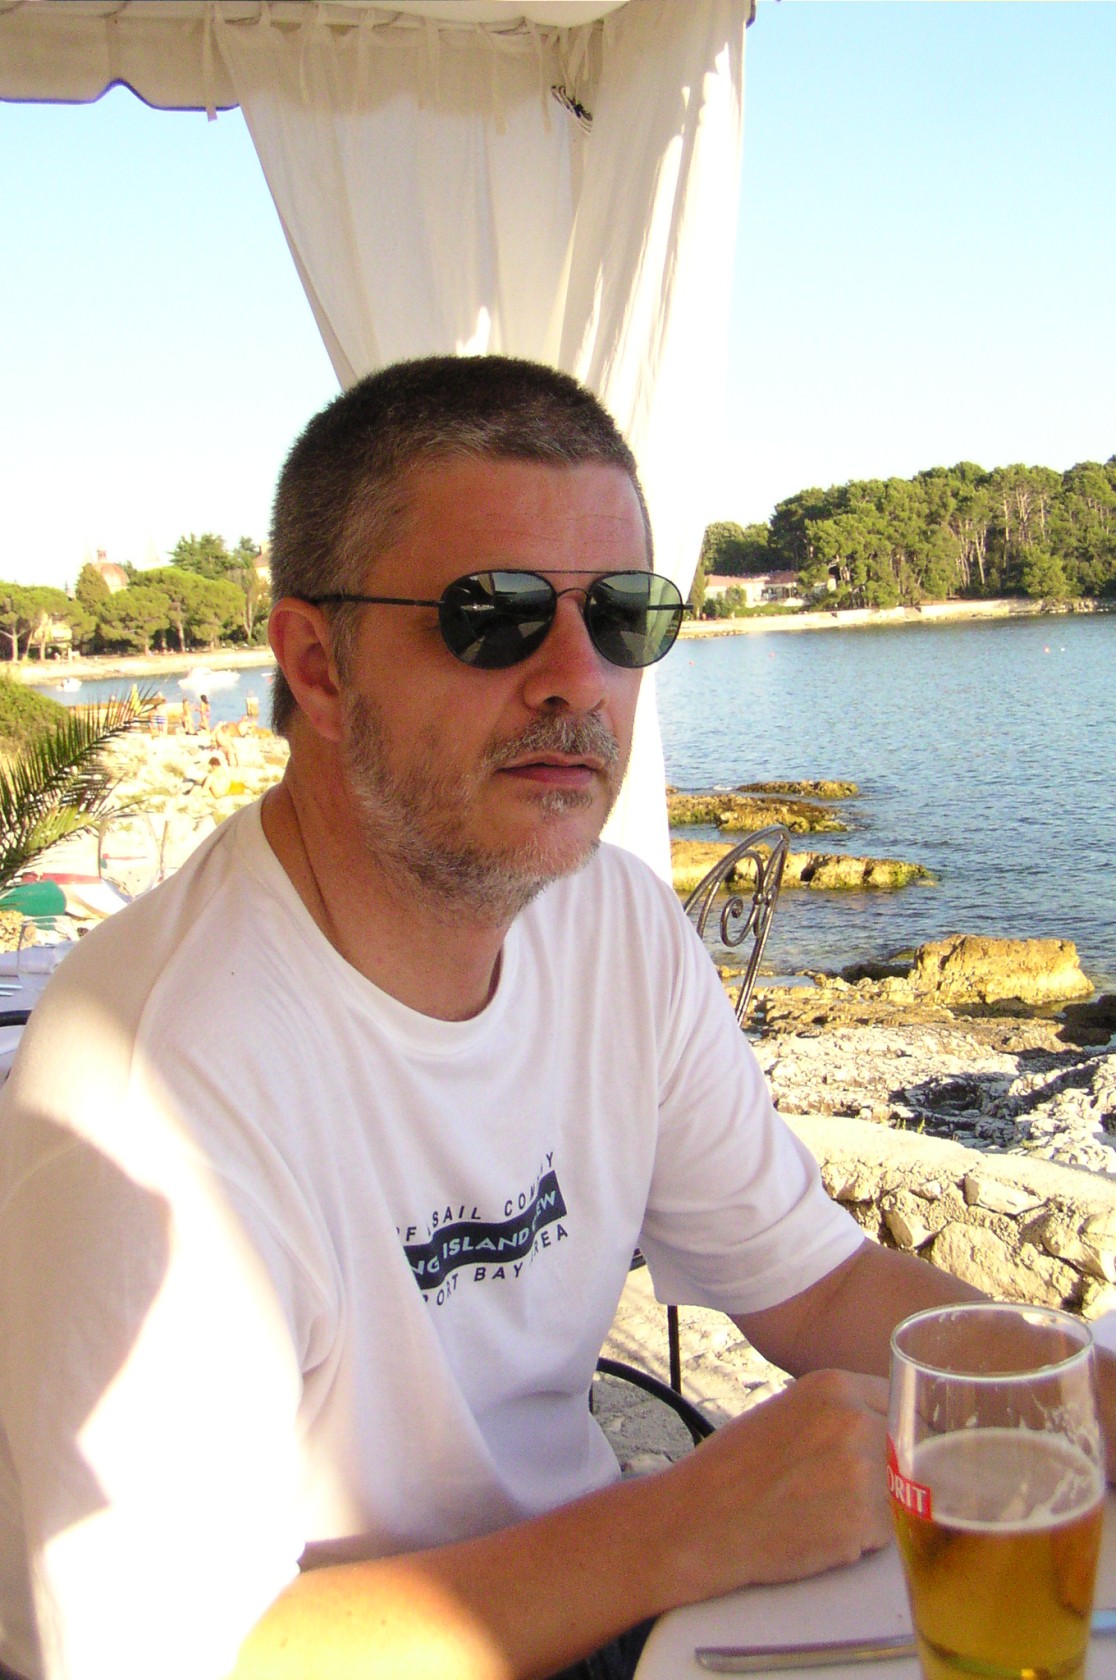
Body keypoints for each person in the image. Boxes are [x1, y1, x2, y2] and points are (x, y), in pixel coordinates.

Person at [0, 357, 1107, 1680]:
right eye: (495, 615)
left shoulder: (615, 927)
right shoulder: (149, 1086)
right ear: (318, 666)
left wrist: (1078, 1399)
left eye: (625, 615)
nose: (577, 678)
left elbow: (818, 1283)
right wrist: (681, 1528)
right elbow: (162, 1657)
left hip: (600, 1609)